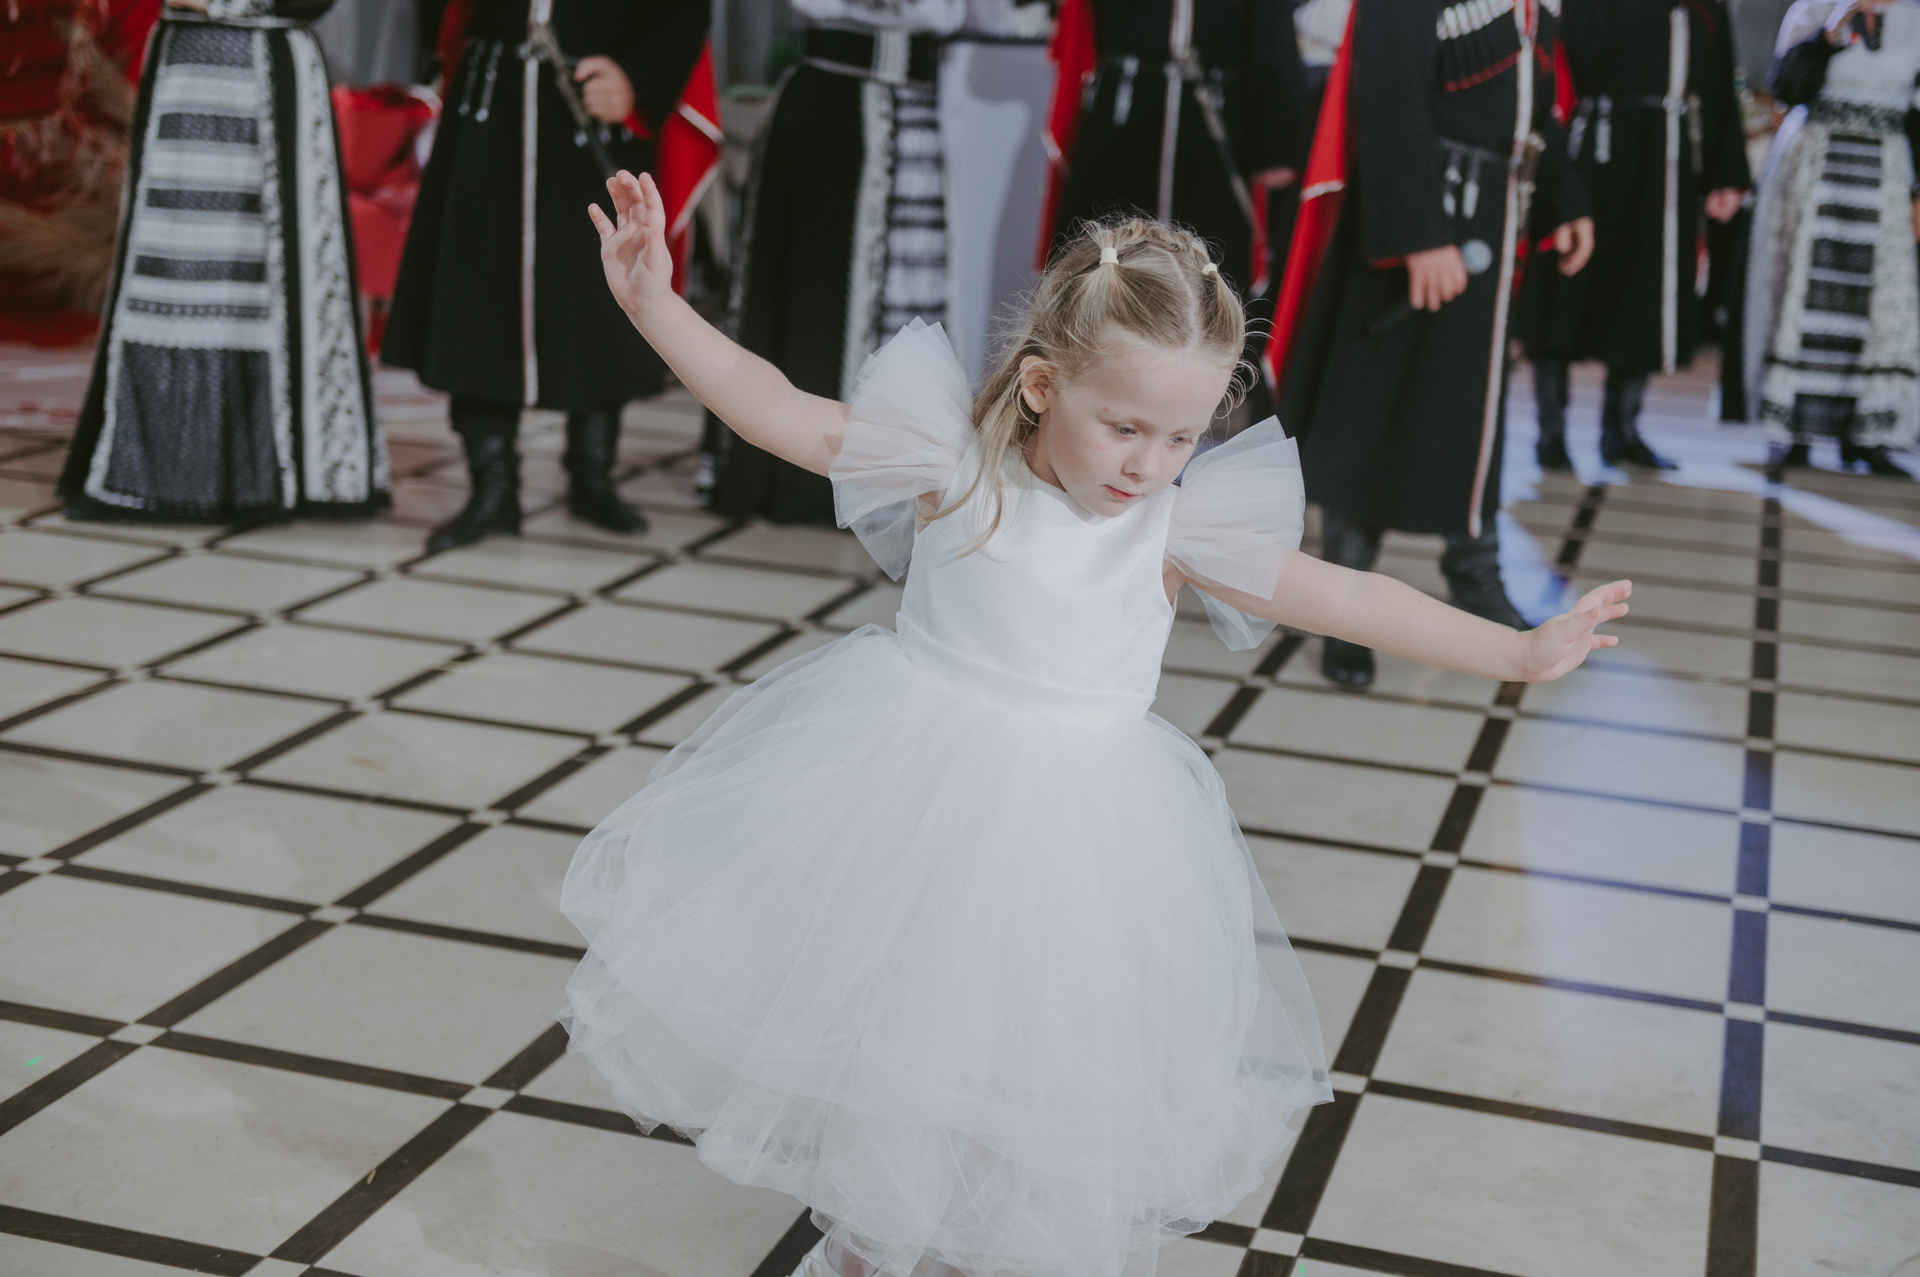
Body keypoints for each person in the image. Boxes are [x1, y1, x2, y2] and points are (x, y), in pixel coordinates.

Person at [560, 172, 1632, 1277]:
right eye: (1124, 427)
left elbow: (1348, 596)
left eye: (1180, 437)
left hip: (1079, 845)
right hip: (910, 805)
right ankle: (871, 1242)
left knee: (1033, 1063)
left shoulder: (1174, 526)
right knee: (903, 1041)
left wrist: (1515, 651)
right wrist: (657, 306)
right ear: (1040, 385)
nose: (1147, 465)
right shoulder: (952, 465)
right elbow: (782, 407)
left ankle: (979, 1246)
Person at [1273, 0, 1595, 688]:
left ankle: (1473, 568)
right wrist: (1419, 234)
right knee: (1377, 402)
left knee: (1469, 406)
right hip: (1424, 212)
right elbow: (1387, 97)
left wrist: (1565, 199)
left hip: (1493, 213)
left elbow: (1537, 107)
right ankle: (1343, 602)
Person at [381, 0, 708, 551]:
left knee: (599, 292)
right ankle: (492, 487)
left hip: (592, 106)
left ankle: (593, 474)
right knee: (480, 291)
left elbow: (683, 12)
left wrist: (636, 80)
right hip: (490, 100)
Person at [58, 0, 387, 525]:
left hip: (265, 71)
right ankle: (150, 473)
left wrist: (219, 2)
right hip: (184, 70)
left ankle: (269, 472)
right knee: (170, 272)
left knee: (261, 282)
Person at [701, 0, 966, 525]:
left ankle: (872, 482)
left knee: (892, 302)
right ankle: (796, 480)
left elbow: (948, 16)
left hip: (909, 106)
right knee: (809, 301)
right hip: (833, 103)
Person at [1519, 0, 1751, 472]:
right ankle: (1551, 432)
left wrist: (1726, 172)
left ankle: (1622, 429)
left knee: (1647, 291)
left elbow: (1718, 78)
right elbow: (1580, 49)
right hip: (1594, 147)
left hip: (1667, 159)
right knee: (1565, 291)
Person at [1045, 0, 1309, 410]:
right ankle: (1094, 377)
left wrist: (1278, 136)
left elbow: (1271, 25)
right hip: (1126, 109)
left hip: (1217, 113)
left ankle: (1205, 396)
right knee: (1109, 251)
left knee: (1213, 260)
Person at [1741, 0, 1920, 478]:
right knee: (1803, 296)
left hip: (1885, 172)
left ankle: (1865, 434)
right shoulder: (1815, 10)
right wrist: (1828, 34)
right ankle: (1794, 430)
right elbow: (1787, 87)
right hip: (1817, 168)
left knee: (1879, 303)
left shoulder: (1915, 20)